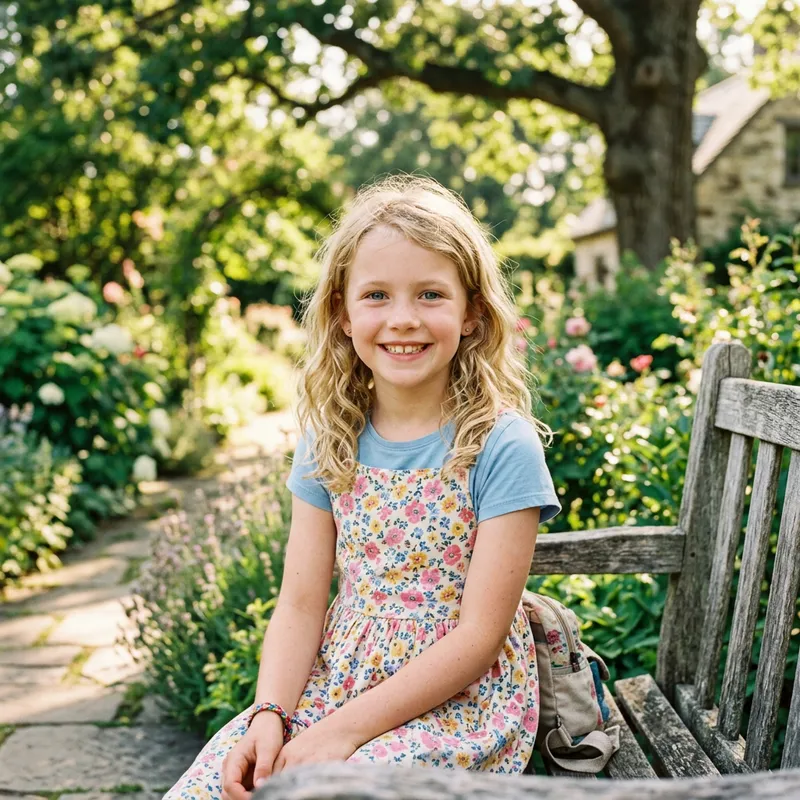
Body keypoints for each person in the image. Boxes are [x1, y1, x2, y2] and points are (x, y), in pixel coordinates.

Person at [163, 175, 561, 800]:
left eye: (431, 294)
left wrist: (339, 735)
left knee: (332, 791)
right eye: (377, 295)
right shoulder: (330, 439)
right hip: (338, 683)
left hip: (455, 704)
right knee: (218, 785)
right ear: (343, 316)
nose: (403, 319)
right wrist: (272, 715)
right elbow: (299, 603)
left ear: (472, 313)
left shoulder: (500, 445)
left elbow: (480, 637)